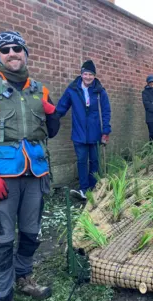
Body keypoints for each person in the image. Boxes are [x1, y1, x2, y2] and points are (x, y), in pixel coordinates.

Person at [0, 31, 60, 301]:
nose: (11, 53)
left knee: (31, 233)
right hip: (2, 179)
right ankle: (4, 298)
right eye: (4, 50)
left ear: (25, 52)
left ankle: (24, 278)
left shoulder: (39, 89)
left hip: (35, 174)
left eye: (16, 48)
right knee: (3, 239)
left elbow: (52, 130)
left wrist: (51, 111)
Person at [57, 60, 111, 200]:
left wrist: (105, 131)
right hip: (79, 134)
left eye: (91, 74)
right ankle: (84, 189)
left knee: (94, 161)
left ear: (94, 76)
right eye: (85, 74)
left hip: (95, 133)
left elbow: (106, 111)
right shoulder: (72, 89)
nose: (88, 77)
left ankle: (93, 188)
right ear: (81, 74)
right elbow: (62, 106)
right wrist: (52, 117)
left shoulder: (100, 91)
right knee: (81, 161)